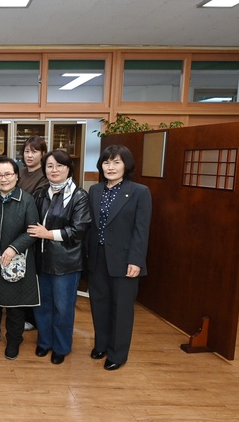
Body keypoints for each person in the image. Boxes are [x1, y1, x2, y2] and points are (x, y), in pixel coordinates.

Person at [85, 145, 152, 371]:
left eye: (116, 162)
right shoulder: (95, 190)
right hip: (97, 257)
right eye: (106, 162)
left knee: (121, 309)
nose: (110, 167)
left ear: (126, 165)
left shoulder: (139, 192)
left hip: (125, 260)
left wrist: (136, 260)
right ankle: (101, 345)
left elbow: (141, 230)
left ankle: (118, 354)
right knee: (99, 304)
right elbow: (91, 227)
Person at [27, 149, 91, 365]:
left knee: (63, 308)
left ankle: (61, 347)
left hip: (66, 263)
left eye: (59, 166)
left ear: (68, 169)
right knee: (42, 305)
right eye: (50, 166)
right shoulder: (41, 193)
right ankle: (44, 342)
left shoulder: (79, 196)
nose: (54, 170)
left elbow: (78, 231)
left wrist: (47, 234)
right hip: (41, 260)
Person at [0, 158, 39, 359]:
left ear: (16, 176)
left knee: (15, 304)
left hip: (16, 260)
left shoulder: (27, 200)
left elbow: (33, 231)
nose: (4, 179)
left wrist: (14, 248)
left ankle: (14, 339)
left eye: (8, 174)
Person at [18, 135, 48, 332]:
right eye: (27, 151)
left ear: (43, 154)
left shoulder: (44, 176)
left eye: (34, 151)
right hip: (15, 228)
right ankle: (19, 314)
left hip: (33, 230)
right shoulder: (19, 172)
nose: (29, 155)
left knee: (31, 275)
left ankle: (31, 317)